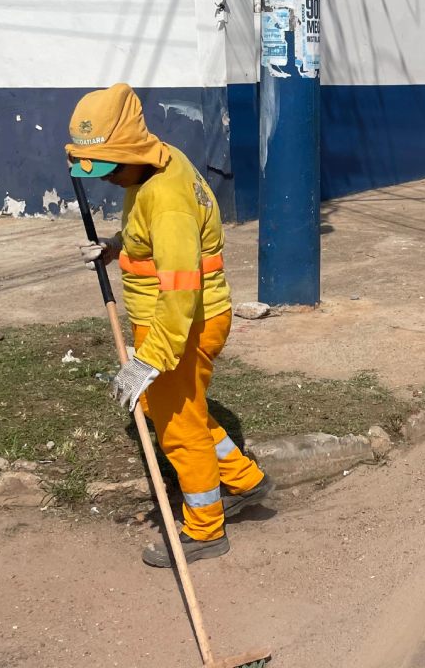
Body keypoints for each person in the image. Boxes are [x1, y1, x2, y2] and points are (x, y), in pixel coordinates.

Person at [66, 84, 272, 567]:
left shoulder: (167, 198)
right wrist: (116, 247)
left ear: (131, 153)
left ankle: (204, 530)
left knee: (178, 429)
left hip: (180, 324)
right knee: (185, 412)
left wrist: (151, 359)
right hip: (182, 321)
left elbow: (180, 290)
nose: (106, 178)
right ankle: (244, 481)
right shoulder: (158, 162)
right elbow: (150, 236)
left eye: (110, 167)